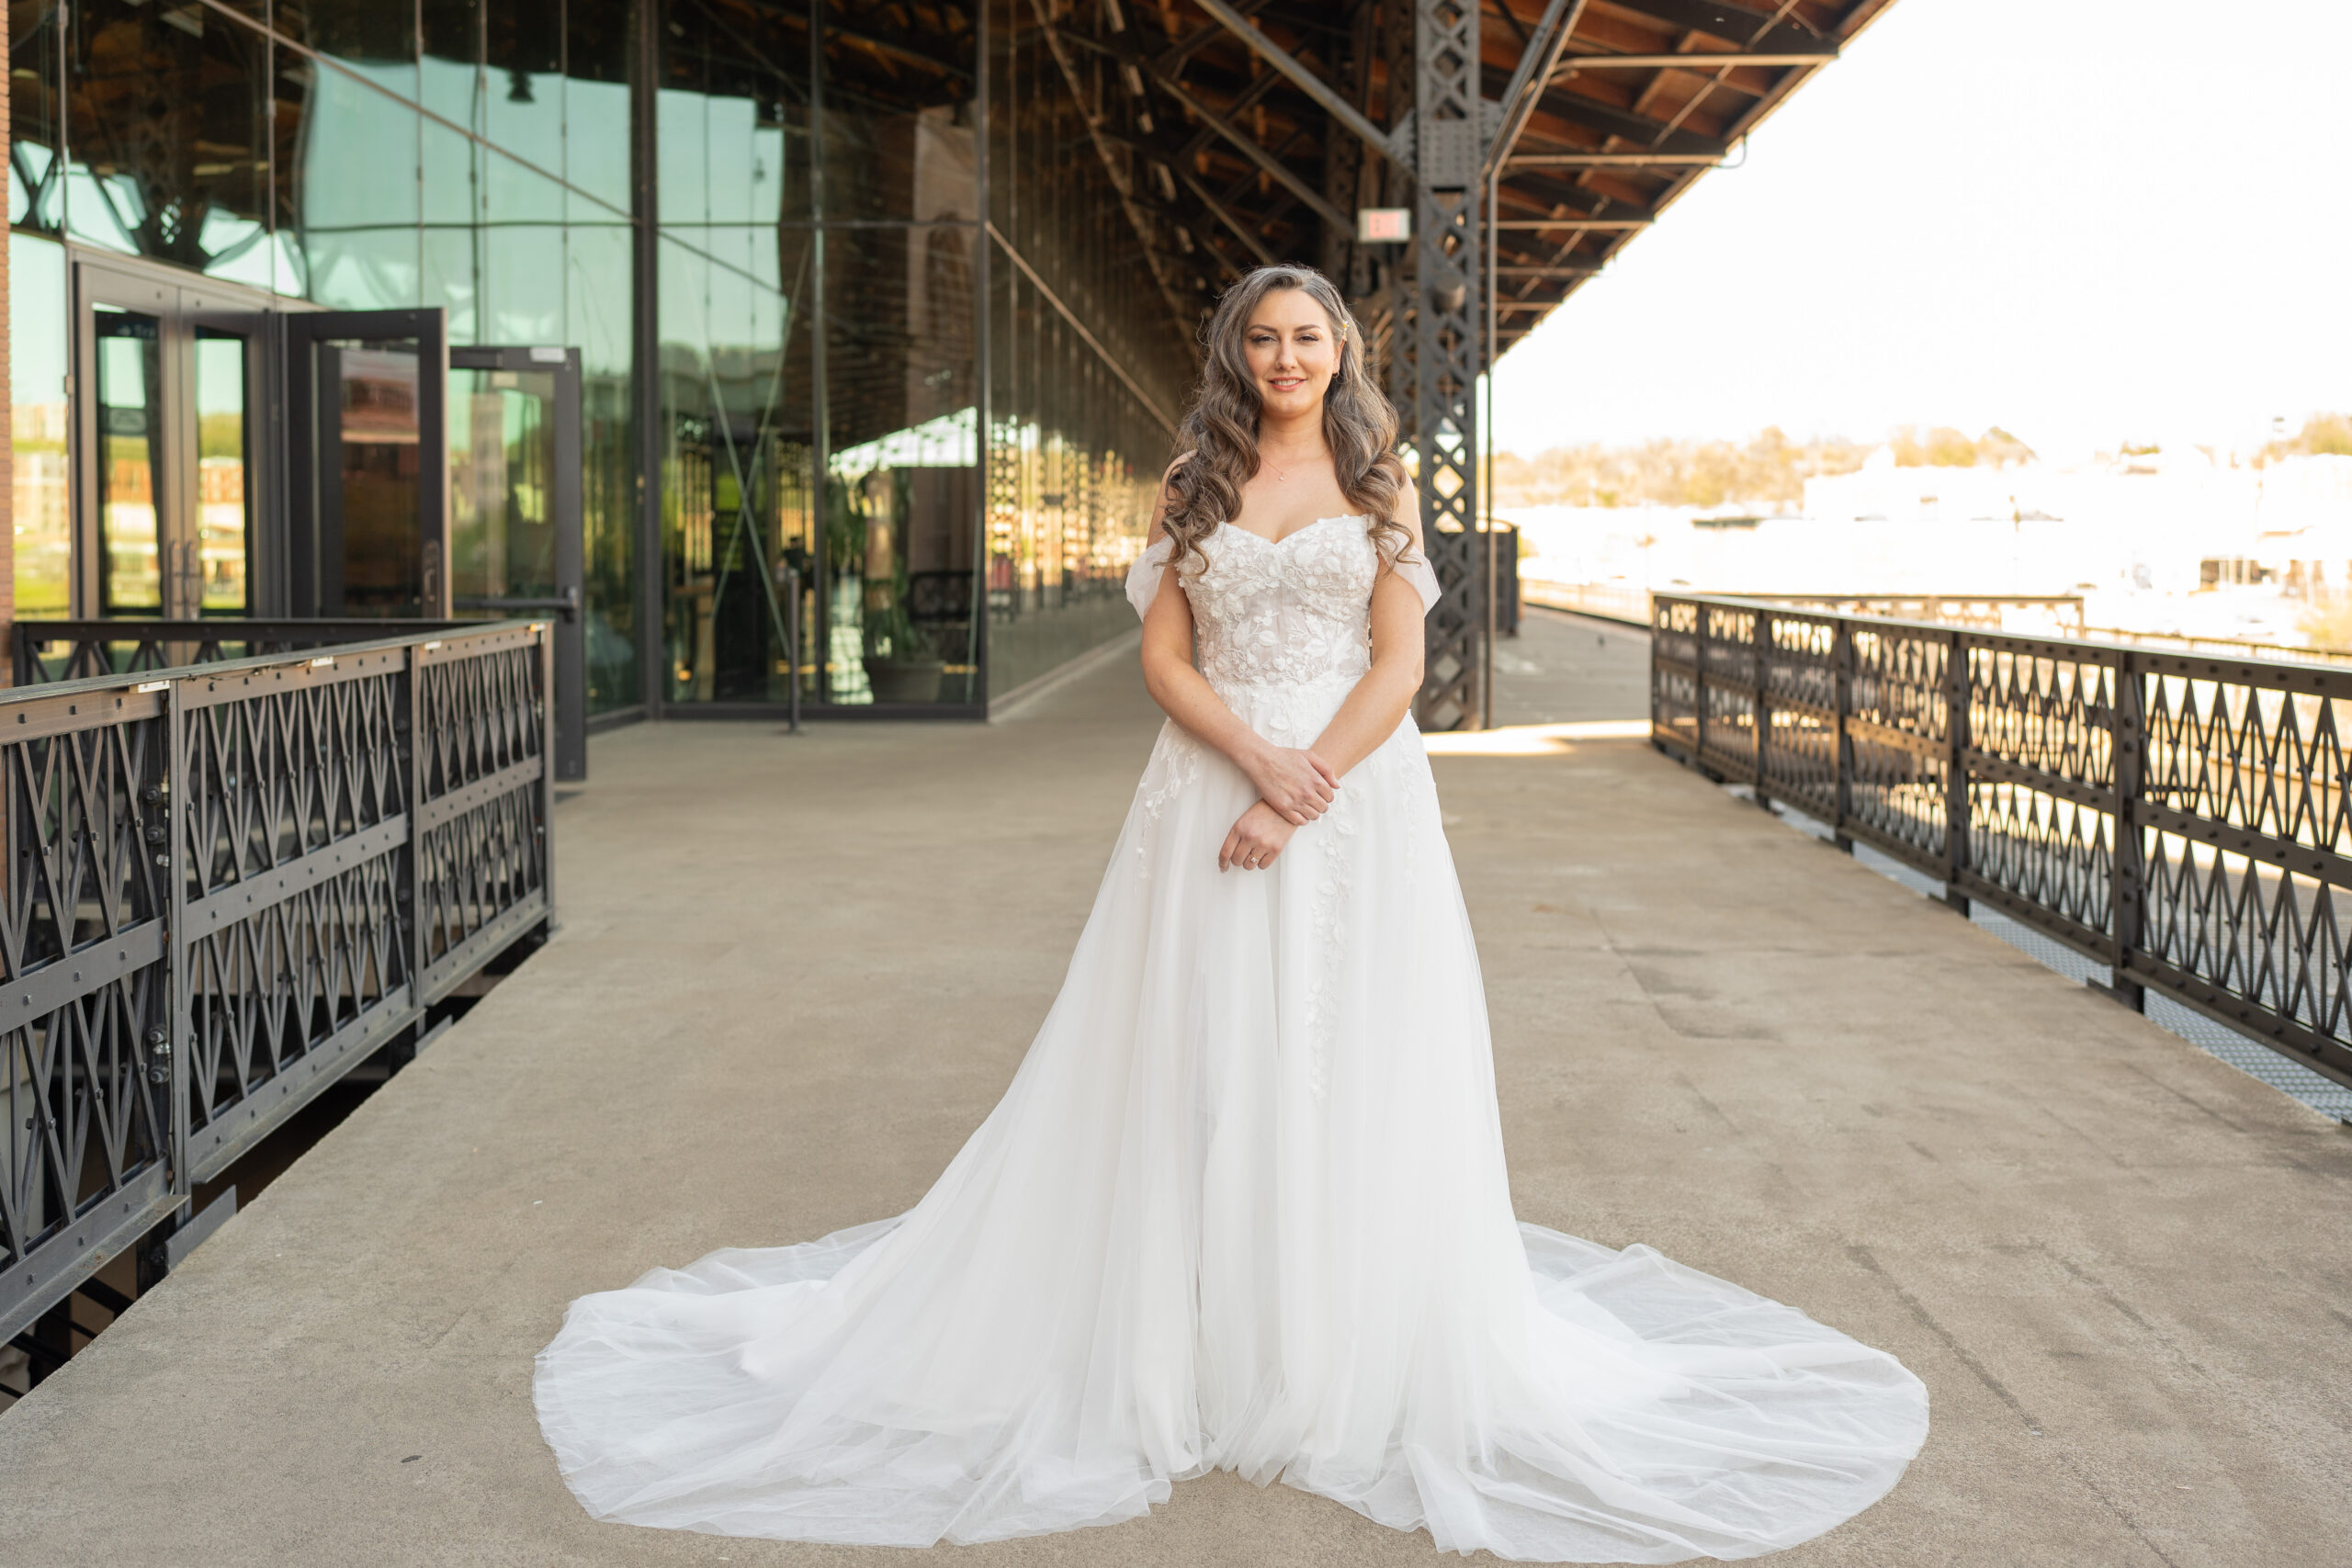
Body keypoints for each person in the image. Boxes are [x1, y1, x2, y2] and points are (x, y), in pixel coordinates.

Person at [533, 265, 1928, 1562]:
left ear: (1343, 354)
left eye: (1306, 339)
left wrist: (1302, 780)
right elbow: (1160, 650)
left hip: (1353, 802)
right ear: (1234, 354)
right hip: (1201, 788)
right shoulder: (1193, 476)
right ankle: (1181, 1331)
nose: (1284, 358)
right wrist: (1248, 762)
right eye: (1262, 339)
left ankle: (1325, 1343)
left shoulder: (1382, 488)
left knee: (1345, 1049)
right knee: (1185, 1049)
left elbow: (1397, 660)